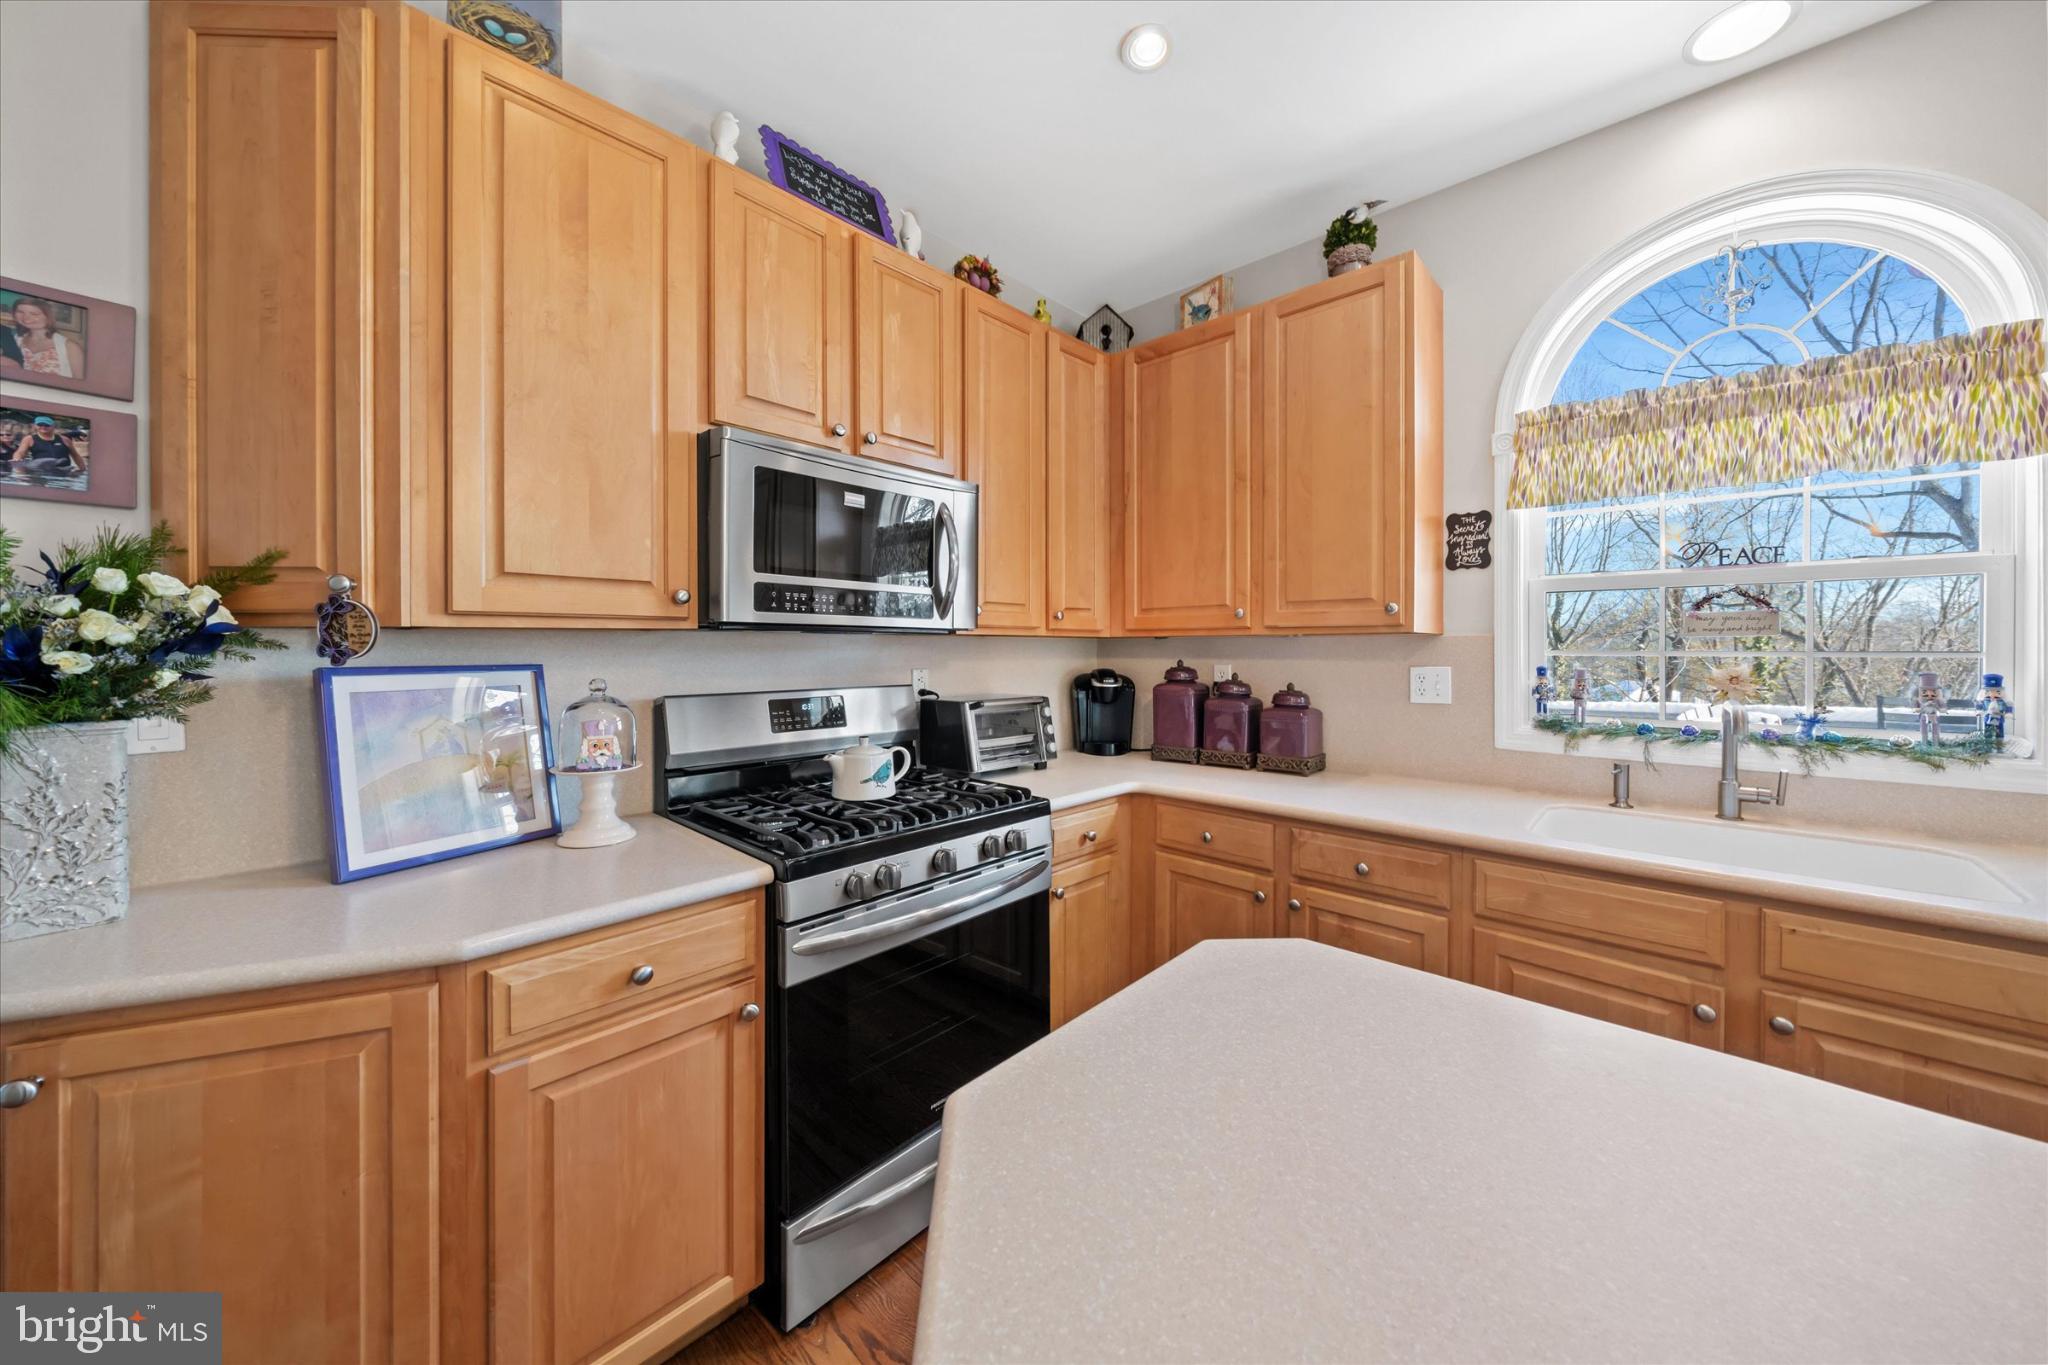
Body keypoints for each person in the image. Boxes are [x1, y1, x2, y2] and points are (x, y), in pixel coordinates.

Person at [8, 297, 84, 380]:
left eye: (34, 314)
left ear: (48, 316)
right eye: (20, 312)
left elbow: (80, 383)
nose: (26, 318)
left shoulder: (70, 346)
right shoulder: (14, 340)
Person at [8, 415, 87, 474]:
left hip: (64, 472)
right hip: (41, 472)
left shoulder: (64, 439)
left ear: (53, 426)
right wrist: (17, 460)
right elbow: (20, 452)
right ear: (35, 426)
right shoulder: (29, 439)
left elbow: (75, 455)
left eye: (46, 425)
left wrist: (82, 470)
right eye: (40, 425)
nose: (43, 427)